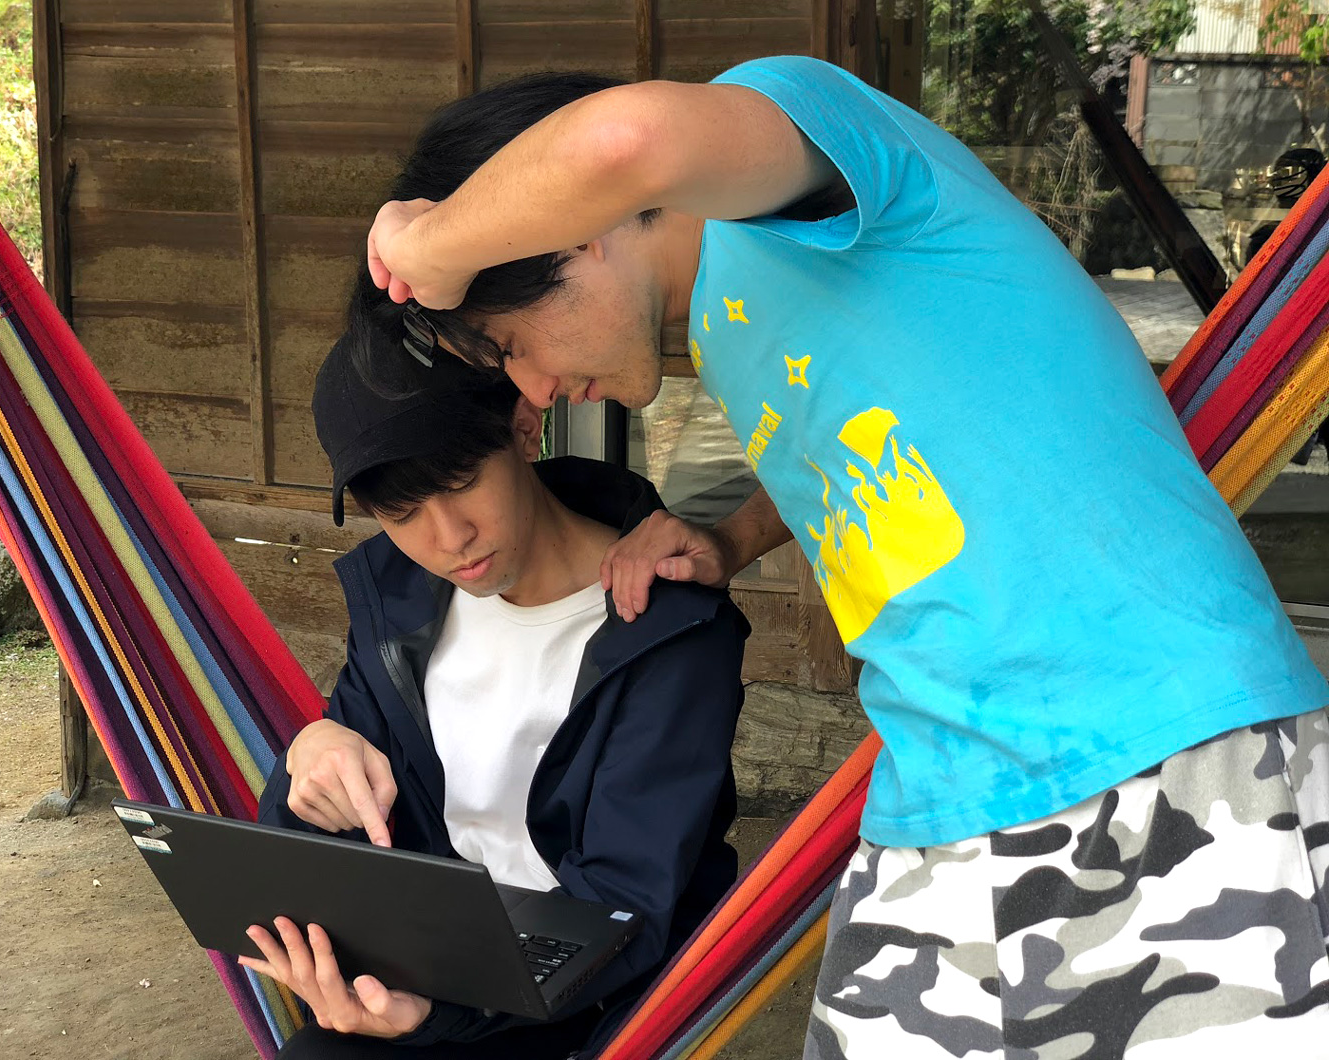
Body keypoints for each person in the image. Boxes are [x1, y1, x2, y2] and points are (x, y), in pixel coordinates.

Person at [351, 59, 1329, 1056]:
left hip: (1160, 736)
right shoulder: (725, 329)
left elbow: (623, 141)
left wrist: (428, 244)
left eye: (509, 342)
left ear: (581, 226)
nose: (532, 390)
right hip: (942, 782)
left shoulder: (810, 159)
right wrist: (731, 537)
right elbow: (856, 446)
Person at [243, 333, 749, 1059]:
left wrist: (438, 1014)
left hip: (589, 1007)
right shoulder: (400, 598)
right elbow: (315, 843)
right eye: (403, 514)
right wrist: (309, 752)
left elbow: (626, 906)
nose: (449, 538)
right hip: (428, 969)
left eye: (461, 481)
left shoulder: (671, 634)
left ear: (523, 427)